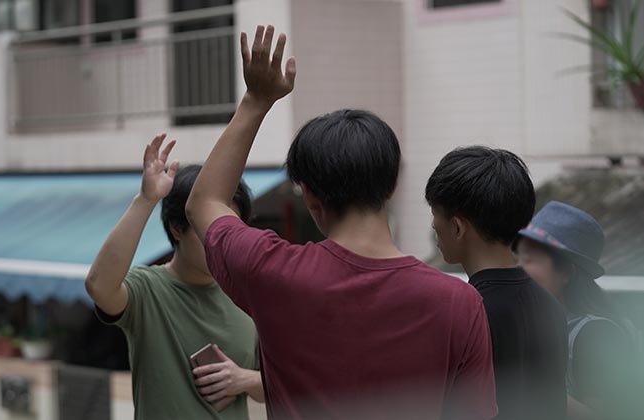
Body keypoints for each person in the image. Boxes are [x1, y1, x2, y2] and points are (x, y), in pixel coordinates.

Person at [185, 25, 497, 420]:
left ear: (311, 198)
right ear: (392, 185)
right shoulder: (461, 303)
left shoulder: (270, 272)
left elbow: (205, 202)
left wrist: (257, 100)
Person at [85, 136, 264, 420]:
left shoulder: (249, 295)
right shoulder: (147, 290)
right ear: (177, 229)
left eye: (230, 230)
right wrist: (146, 200)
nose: (221, 242)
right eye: (208, 230)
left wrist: (245, 379)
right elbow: (98, 285)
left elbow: (288, 381)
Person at [425, 146, 568, 420]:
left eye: (435, 214)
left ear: (457, 227)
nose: (433, 226)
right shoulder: (552, 305)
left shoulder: (464, 312)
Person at [516, 201, 641, 420]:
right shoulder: (539, 325)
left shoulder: (597, 334)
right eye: (518, 258)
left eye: (530, 259)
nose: (518, 268)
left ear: (566, 272)